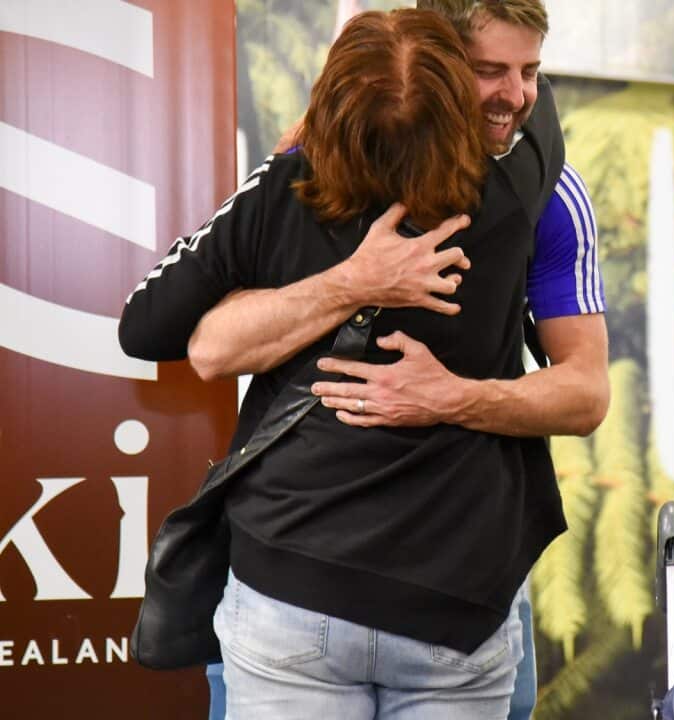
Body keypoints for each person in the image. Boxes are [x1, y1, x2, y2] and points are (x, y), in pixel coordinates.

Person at [119, 8, 607, 719]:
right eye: (487, 72)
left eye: (530, 72)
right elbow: (194, 343)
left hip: (349, 584)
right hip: (398, 595)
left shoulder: (294, 183)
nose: (517, 96)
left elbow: (168, 332)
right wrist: (355, 281)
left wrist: (446, 395)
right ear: (442, 69)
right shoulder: (515, 190)